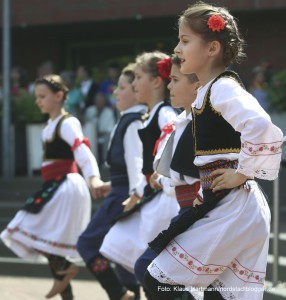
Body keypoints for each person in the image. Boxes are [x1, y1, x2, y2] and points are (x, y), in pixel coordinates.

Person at [144, 2, 283, 300]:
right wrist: (208, 186)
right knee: (218, 294)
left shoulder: (222, 88)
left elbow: (261, 125)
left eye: (184, 40)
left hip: (235, 206)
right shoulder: (207, 92)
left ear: (212, 48)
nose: (177, 49)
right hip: (228, 203)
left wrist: (241, 173)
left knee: (158, 280)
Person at [0, 74, 103, 300]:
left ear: (59, 96)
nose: (38, 101)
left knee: (24, 226)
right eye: (37, 96)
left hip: (66, 184)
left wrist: (93, 177)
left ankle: (66, 270)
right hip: (55, 185)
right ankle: (65, 283)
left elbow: (81, 149)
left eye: (42, 96)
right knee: (42, 235)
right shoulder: (50, 125)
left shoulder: (68, 122)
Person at [99, 52, 180, 283]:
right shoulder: (151, 113)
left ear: (155, 81)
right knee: (117, 244)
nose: (133, 83)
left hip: (163, 198)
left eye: (137, 77)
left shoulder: (164, 112)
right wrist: (138, 192)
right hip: (151, 194)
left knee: (152, 268)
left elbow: (174, 137)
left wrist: (161, 172)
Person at [131, 56, 202, 299]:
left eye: (174, 80)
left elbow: (186, 178)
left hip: (200, 210)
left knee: (149, 270)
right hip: (184, 208)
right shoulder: (182, 121)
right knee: (149, 271)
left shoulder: (186, 121)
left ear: (196, 85)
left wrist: (160, 180)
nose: (168, 85)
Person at [76, 63, 148, 300]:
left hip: (124, 196)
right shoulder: (129, 120)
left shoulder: (134, 122)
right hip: (121, 191)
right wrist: (112, 184)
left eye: (122, 87)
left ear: (137, 91)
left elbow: (138, 164)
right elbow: (130, 166)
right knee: (124, 258)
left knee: (88, 244)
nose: (115, 92)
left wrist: (133, 193)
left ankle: (118, 293)